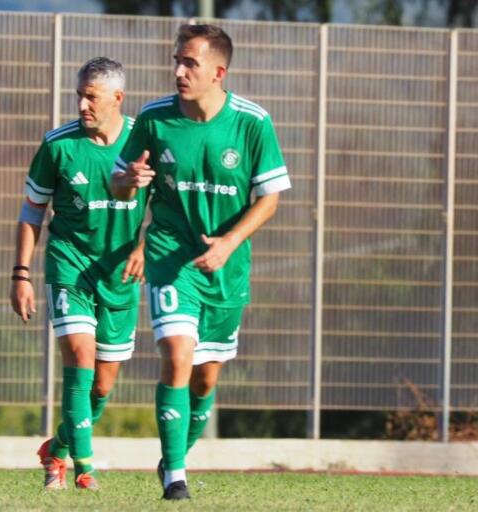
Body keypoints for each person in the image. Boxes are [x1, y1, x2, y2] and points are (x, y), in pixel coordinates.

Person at [111, 24, 291, 500]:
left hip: (225, 267)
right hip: (170, 255)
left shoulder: (252, 122)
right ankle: (176, 476)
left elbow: (270, 198)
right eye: (177, 61)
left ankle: (175, 453)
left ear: (218, 72)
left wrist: (229, 242)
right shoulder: (154, 119)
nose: (178, 71)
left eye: (190, 63)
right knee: (177, 355)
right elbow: (119, 184)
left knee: (206, 376)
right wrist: (128, 180)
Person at [11, 57, 148, 491]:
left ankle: (58, 447)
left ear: (117, 98)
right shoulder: (59, 145)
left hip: (120, 276)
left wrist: (144, 247)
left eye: (91, 97)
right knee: (80, 358)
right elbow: (32, 210)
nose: (82, 105)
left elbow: (169, 208)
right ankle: (84, 467)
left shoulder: (144, 142)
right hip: (69, 266)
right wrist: (21, 274)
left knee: (102, 386)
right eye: (79, 96)